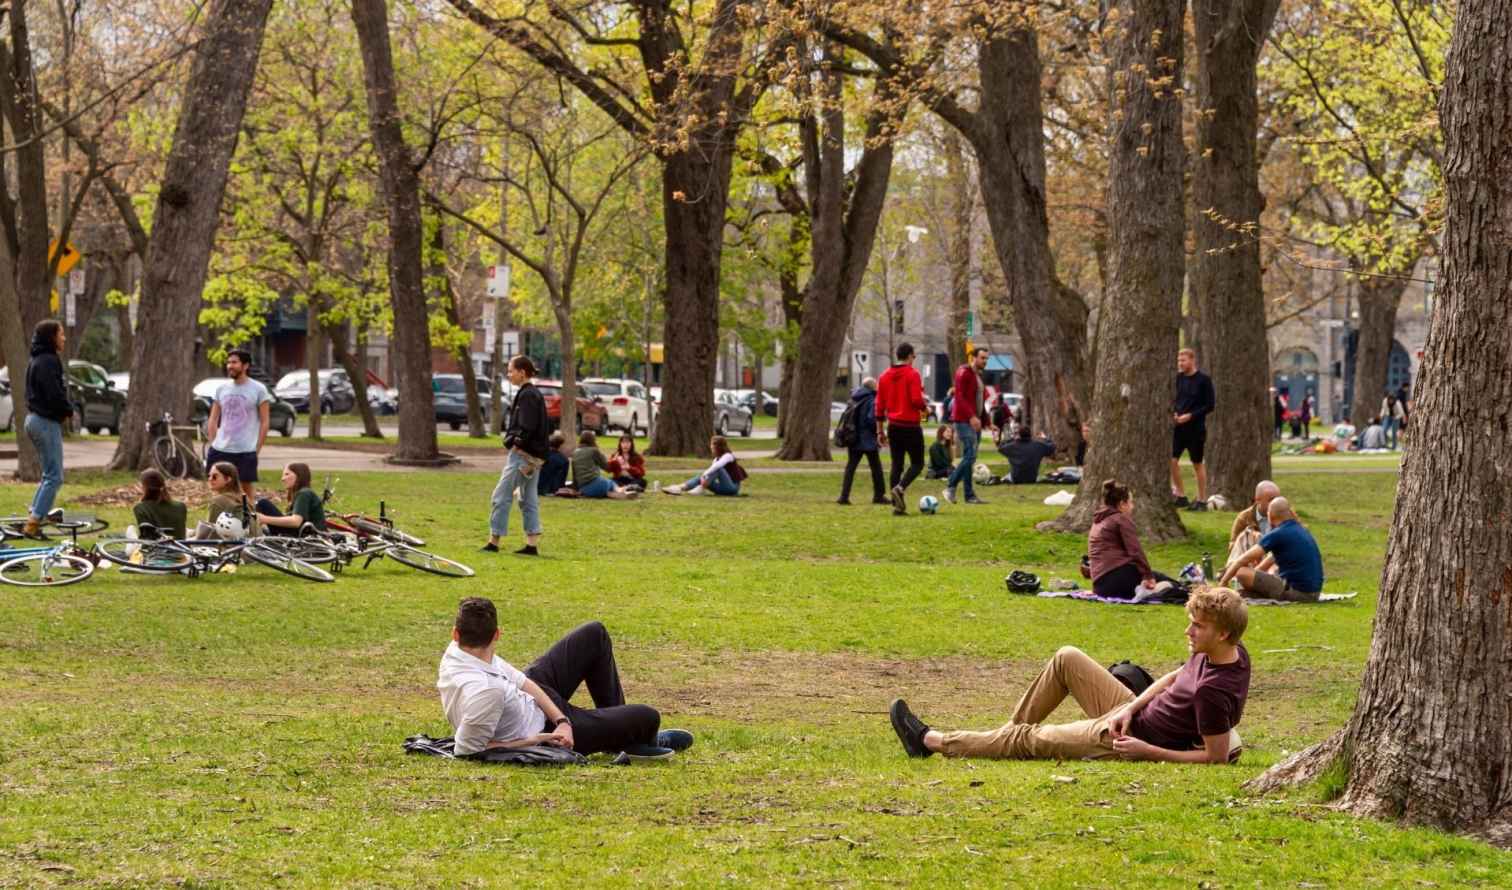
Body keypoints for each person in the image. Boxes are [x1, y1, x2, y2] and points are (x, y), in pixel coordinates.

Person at [889, 586, 1250, 764]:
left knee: (1029, 739)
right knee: (1067, 657)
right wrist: (1130, 707)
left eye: (1198, 626)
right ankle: (1003, 739)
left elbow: (1215, 759)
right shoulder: (1228, 652)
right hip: (1130, 714)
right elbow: (1174, 677)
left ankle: (930, 741)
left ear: (1222, 633)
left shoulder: (1212, 692)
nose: (1188, 632)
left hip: (1123, 739)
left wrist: (1146, 751)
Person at [437, 597, 693, 759]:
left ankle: (622, 738)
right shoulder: (485, 690)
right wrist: (538, 740)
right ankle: (632, 736)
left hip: (535, 705)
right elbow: (468, 750)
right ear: (497, 635)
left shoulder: (456, 652)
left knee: (594, 634)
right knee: (648, 716)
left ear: (455, 634)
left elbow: (523, 681)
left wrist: (562, 719)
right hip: (543, 730)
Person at [485, 356, 548, 555]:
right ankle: (532, 544)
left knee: (500, 496)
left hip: (522, 456)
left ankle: (494, 542)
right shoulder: (533, 393)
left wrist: (514, 443)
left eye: (511, 370)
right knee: (528, 499)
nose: (509, 374)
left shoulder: (528, 395)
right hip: (534, 457)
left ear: (522, 372)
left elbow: (527, 426)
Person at [1218, 496, 1324, 602]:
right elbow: (1267, 562)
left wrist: (1223, 582)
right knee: (1252, 579)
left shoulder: (1278, 533)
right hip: (1313, 594)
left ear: (1270, 514)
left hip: (1297, 593)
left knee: (1242, 572)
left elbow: (1242, 560)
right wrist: (1255, 576)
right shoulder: (1300, 530)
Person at [20, 320, 71, 538]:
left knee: (48, 475)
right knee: (55, 477)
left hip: (33, 419)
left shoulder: (36, 359)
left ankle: (34, 515)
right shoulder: (49, 360)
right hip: (44, 422)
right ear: (51, 337)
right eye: (61, 334)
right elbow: (54, 393)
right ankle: (33, 524)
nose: (64, 338)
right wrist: (67, 410)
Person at [1087, 479, 1180, 599]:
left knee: (1159, 577)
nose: (1133, 507)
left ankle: (1147, 591)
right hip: (1117, 578)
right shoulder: (1120, 519)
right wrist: (1148, 576)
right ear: (1122, 504)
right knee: (1172, 585)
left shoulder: (1098, 520)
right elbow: (1135, 551)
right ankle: (1150, 592)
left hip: (1100, 587)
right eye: (1131, 502)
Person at [205, 349, 273, 504]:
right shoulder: (221, 389)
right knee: (216, 489)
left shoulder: (259, 389)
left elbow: (265, 422)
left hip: (245, 450)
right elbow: (213, 419)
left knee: (246, 491)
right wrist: (213, 443)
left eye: (234, 362)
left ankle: (250, 517)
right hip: (220, 449)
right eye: (228, 362)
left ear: (245, 365)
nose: (230, 366)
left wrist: (257, 448)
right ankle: (219, 516)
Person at [875, 342, 928, 515]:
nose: (914, 359)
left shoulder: (884, 376)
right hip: (910, 426)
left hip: (893, 427)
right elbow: (916, 400)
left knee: (896, 465)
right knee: (918, 463)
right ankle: (900, 488)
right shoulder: (913, 374)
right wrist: (925, 407)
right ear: (910, 356)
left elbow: (879, 406)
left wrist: (879, 431)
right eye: (914, 356)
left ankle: (897, 506)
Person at [944, 347, 993, 505]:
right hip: (964, 420)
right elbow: (959, 397)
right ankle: (950, 486)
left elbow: (980, 403)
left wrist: (988, 422)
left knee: (970, 458)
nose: (985, 361)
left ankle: (969, 495)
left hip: (975, 421)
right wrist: (971, 416)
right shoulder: (963, 372)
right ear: (973, 357)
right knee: (970, 456)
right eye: (982, 358)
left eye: (986, 358)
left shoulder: (978, 376)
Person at [1170, 348, 1216, 511]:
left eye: (1183, 360)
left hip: (1196, 429)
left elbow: (1210, 405)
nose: (1180, 363)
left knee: (1197, 463)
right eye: (1179, 360)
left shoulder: (1204, 380)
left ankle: (1202, 500)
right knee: (1171, 460)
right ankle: (1181, 496)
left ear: (1192, 360)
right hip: (1178, 428)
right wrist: (1175, 413)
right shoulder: (1177, 379)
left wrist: (1190, 416)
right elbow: (1173, 399)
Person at [838, 378, 887, 506]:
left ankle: (844, 496)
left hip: (853, 438)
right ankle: (879, 495)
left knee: (851, 467)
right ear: (873, 387)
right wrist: (879, 431)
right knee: (876, 468)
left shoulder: (854, 398)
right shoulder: (872, 400)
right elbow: (871, 420)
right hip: (868, 440)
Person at [255, 462, 326, 535]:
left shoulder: (304, 493)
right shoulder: (303, 493)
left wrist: (264, 519)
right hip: (304, 533)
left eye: (287, 474)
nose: (282, 479)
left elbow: (296, 522)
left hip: (307, 536)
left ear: (299, 476)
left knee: (263, 504)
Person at [663, 436, 743, 496]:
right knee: (701, 476)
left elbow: (717, 466)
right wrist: (703, 477)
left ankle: (701, 488)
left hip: (732, 488)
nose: (711, 448)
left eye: (712, 446)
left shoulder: (728, 456)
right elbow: (711, 472)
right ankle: (679, 488)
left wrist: (704, 475)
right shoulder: (716, 459)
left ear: (718, 447)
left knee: (717, 469)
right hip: (722, 489)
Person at [1226, 480, 1279, 570]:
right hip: (1252, 562)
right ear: (1258, 500)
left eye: (1277, 500)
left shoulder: (1283, 514)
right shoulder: (1244, 518)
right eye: (1271, 500)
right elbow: (1233, 546)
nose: (1275, 503)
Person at [199, 461, 259, 539]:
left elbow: (210, 533)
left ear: (228, 479)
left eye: (215, 477)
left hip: (232, 544)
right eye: (209, 476)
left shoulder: (218, 501)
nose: (210, 479)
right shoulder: (242, 498)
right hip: (254, 542)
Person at [571, 431, 639, 500]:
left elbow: (574, 474)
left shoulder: (575, 452)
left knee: (608, 485)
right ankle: (621, 492)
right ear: (592, 440)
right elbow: (607, 468)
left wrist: (576, 490)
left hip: (583, 489)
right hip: (597, 484)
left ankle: (616, 493)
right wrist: (614, 460)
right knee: (611, 483)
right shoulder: (594, 451)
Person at [132, 469, 187, 540]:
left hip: (154, 546)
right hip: (180, 544)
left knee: (130, 530)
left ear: (144, 487)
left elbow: (146, 537)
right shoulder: (181, 506)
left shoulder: (140, 508)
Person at [536, 431, 570, 496]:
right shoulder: (564, 460)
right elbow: (562, 478)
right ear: (560, 445)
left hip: (539, 488)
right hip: (555, 489)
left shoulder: (542, 456)